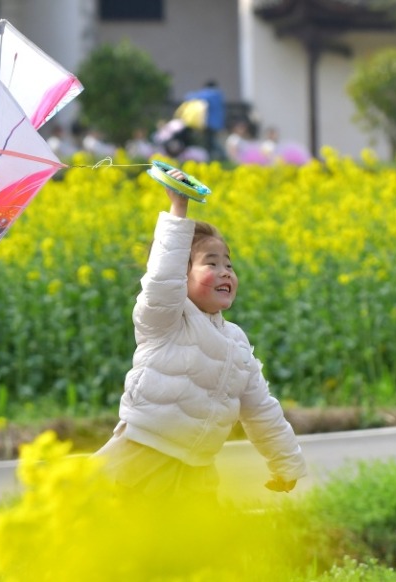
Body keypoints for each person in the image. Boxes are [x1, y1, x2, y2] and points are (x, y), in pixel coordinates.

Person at [94, 167, 307, 502]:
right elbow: (162, 278)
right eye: (211, 263)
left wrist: (287, 463)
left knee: (196, 550)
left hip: (197, 469)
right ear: (182, 274)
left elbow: (261, 410)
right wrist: (179, 209)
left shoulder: (237, 343)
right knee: (118, 541)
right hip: (142, 456)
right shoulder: (165, 320)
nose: (225, 272)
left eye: (229, 265)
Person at [185, 80, 226, 161]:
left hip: (208, 122)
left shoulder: (209, 93)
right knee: (211, 140)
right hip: (218, 122)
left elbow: (191, 97)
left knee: (210, 141)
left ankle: (220, 156)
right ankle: (215, 156)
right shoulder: (219, 95)